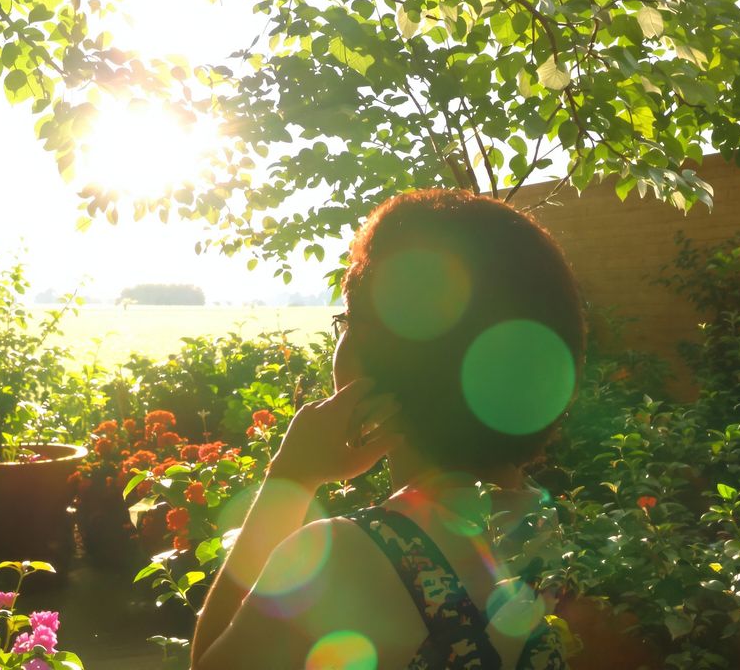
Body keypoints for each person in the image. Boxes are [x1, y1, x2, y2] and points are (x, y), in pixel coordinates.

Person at [190, 189, 586, 669]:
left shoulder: (346, 560)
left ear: (375, 359)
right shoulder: (582, 544)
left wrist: (290, 479)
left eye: (347, 322)